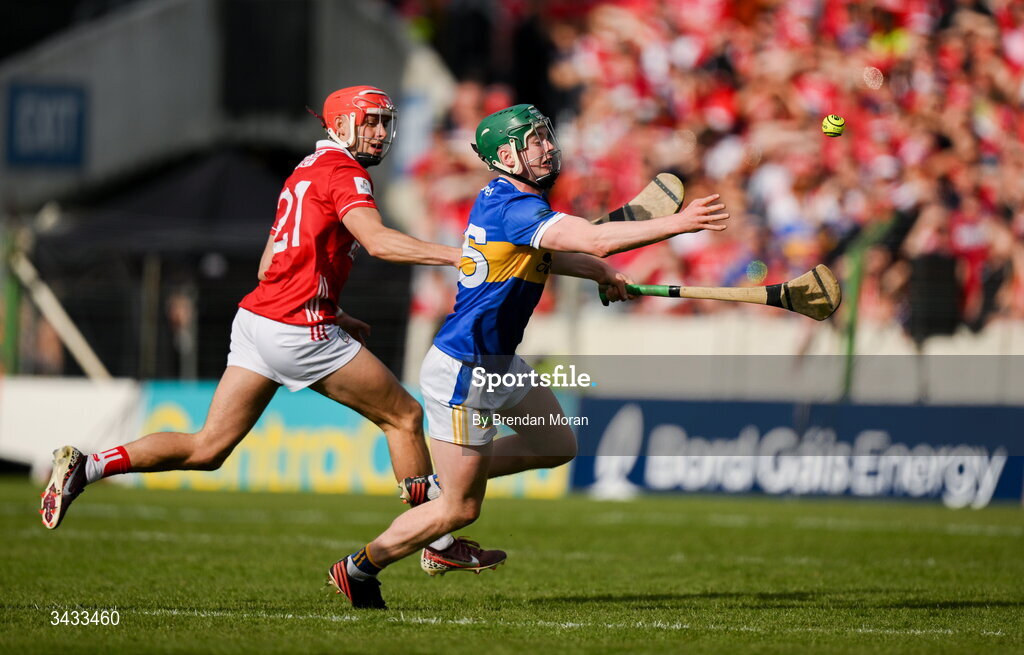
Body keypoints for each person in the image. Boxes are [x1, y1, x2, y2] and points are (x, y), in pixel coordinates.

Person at [39, 85, 506, 585]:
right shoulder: (345, 173)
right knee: (404, 417)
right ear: (342, 124)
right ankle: (436, 543)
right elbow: (378, 242)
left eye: (384, 123)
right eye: (369, 121)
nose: (379, 133)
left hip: (259, 318)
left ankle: (86, 467)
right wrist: (458, 256)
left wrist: (331, 307)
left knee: (207, 448)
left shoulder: (305, 169)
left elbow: (268, 266)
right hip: (296, 327)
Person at [326, 104, 730, 609]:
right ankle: (361, 567)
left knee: (557, 442)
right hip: (464, 372)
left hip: (498, 365)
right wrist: (679, 223)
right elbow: (598, 239)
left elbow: (544, 254)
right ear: (506, 155)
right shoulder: (514, 208)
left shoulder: (510, 202)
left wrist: (596, 274)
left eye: (545, 137)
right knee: (460, 509)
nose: (547, 147)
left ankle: (435, 482)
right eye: (534, 141)